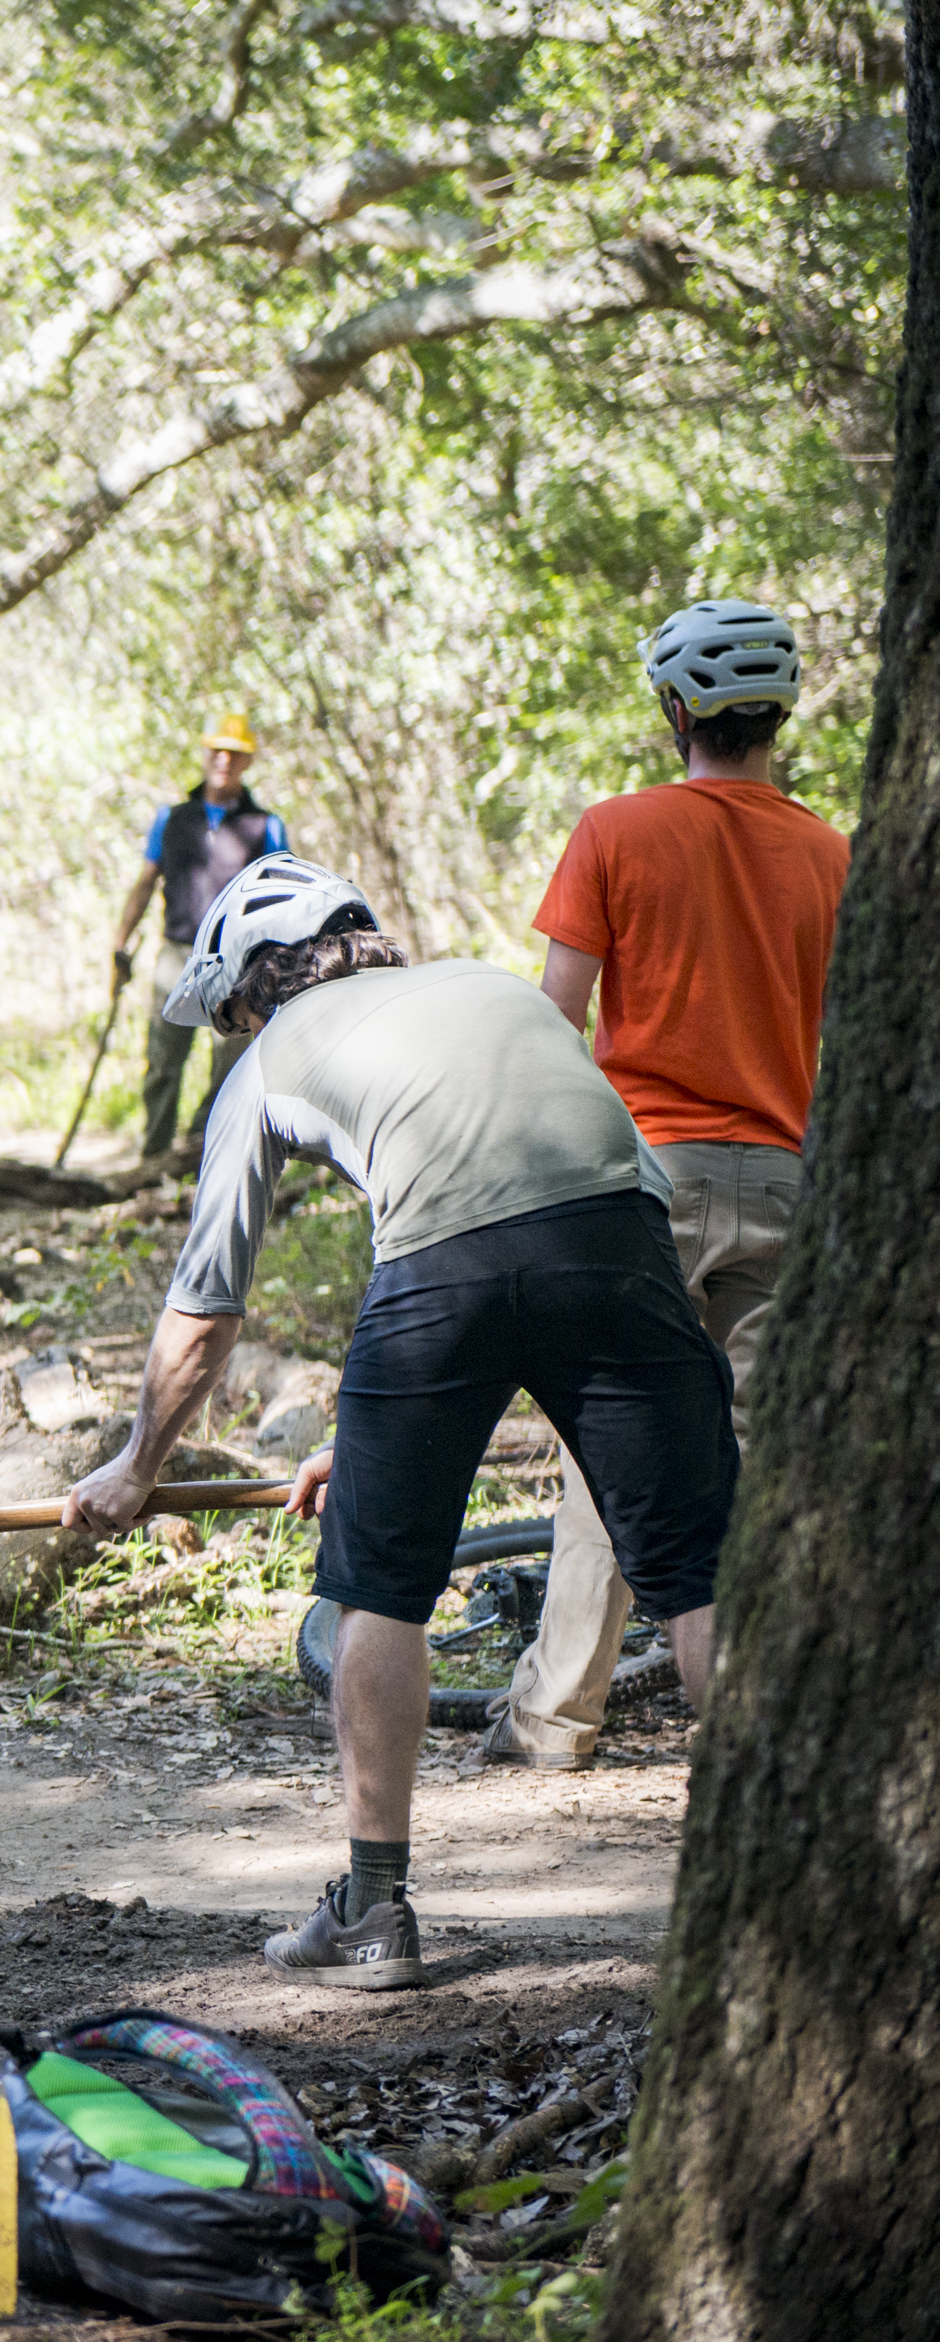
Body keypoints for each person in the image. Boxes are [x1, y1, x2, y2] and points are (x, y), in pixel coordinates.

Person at [62, 855, 733, 1990]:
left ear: (254, 989)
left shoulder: (272, 1057)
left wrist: (136, 1466)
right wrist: (373, 1437)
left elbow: (203, 1313)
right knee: (705, 1577)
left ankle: (373, 1910)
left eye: (228, 1016)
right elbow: (571, 1205)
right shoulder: (495, 989)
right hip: (625, 1244)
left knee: (379, 1590)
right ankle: (792, 1879)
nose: (232, 1037)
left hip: (444, 1274)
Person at [485, 599, 847, 1768]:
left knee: (621, 1447)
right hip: (787, 1181)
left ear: (676, 711)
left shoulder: (617, 831)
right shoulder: (831, 853)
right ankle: (752, 1724)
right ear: (776, 713)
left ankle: (556, 1718)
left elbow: (554, 1020)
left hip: (645, 1178)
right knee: (749, 1454)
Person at [108, 712, 293, 1163]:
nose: (224, 760)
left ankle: (202, 1153)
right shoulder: (173, 819)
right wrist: (119, 944)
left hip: (237, 961)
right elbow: (146, 881)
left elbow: (283, 894)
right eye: (217, 750)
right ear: (205, 754)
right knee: (162, 1062)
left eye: (235, 753)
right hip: (176, 956)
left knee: (230, 1064)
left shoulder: (266, 826)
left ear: (247, 761)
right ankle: (153, 1162)